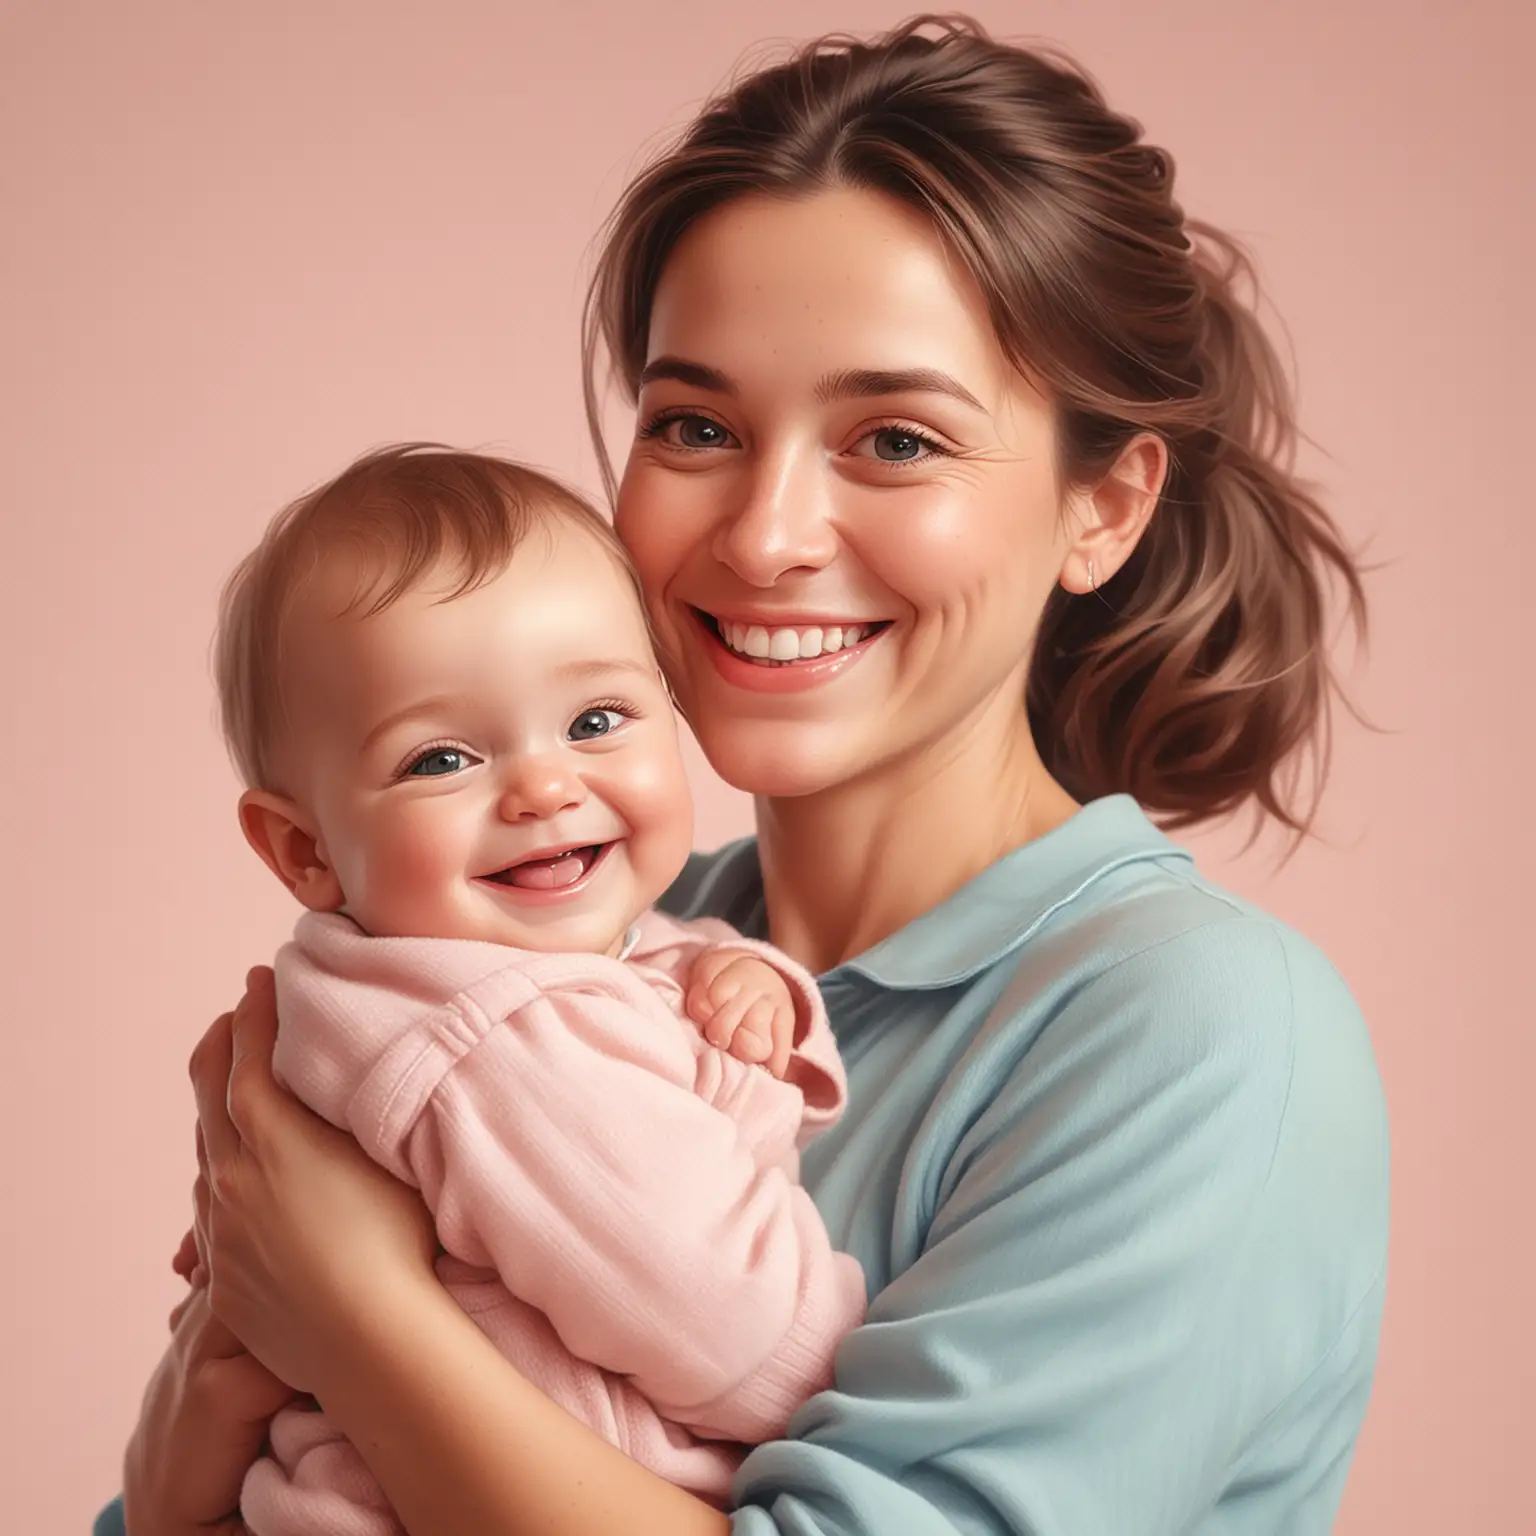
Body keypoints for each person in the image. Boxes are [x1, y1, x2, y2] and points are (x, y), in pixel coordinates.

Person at [101, 14, 1388, 1536]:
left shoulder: (1197, 1035)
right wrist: (218, 1388)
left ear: (1102, 507)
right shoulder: (581, 943)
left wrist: (355, 1311)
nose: (767, 534)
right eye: (697, 423)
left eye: (896, 438)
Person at [199, 444, 867, 1532]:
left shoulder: (472, 985)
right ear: (306, 851)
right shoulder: (500, 1039)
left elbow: (640, 972)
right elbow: (746, 1340)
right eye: (442, 760)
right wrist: (863, 1371)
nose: (546, 787)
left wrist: (742, 977)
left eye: (596, 722)